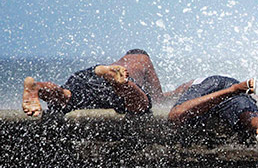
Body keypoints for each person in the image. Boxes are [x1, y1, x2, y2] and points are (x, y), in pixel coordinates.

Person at [168, 76, 258, 166]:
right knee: (247, 111)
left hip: (213, 85)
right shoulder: (227, 83)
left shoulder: (190, 85)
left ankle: (232, 91)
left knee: (177, 114)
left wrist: (232, 90)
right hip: (233, 85)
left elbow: (173, 115)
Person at [21, 49, 170, 117]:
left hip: (90, 75)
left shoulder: (120, 62)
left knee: (64, 96)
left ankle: (37, 87)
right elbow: (158, 97)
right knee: (141, 104)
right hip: (118, 83)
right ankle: (123, 85)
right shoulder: (143, 59)